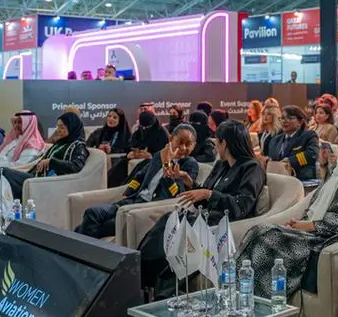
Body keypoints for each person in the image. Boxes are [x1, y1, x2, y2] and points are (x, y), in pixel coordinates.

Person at [237, 113, 338, 298]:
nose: (337, 140)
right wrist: (301, 222)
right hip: (312, 230)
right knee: (256, 232)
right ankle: (243, 304)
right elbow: (317, 201)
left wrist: (312, 226)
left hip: (329, 237)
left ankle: (258, 308)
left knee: (265, 239)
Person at [136, 120, 266, 292]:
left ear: (224, 143)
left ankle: (155, 287)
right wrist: (188, 181)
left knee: (179, 237)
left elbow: (241, 206)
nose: (215, 147)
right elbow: (204, 197)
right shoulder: (221, 165)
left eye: (216, 142)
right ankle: (138, 272)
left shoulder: (251, 168)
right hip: (203, 217)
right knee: (166, 222)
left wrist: (209, 194)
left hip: (219, 224)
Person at [75, 124, 200, 240]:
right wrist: (130, 191)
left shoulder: (190, 165)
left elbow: (176, 193)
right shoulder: (159, 155)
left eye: (188, 144)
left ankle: (82, 260)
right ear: (171, 138)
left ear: (194, 145)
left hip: (147, 208)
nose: (183, 148)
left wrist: (168, 162)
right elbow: (141, 175)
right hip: (133, 201)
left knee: (85, 227)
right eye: (180, 142)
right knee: (92, 213)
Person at [1, 112, 90, 201]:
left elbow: (76, 166)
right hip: (37, 177)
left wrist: (51, 162)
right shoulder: (60, 143)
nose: (58, 130)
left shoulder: (78, 146)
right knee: (2, 173)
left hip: (49, 182)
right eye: (58, 127)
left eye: (62, 127)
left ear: (72, 127)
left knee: (4, 172)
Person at [107, 111, 169, 187]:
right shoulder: (140, 130)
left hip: (153, 160)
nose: (144, 129)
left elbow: (165, 152)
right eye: (142, 126)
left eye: (146, 127)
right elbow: (133, 143)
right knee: (120, 166)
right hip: (138, 156)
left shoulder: (162, 133)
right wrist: (132, 152)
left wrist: (150, 155)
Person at [263, 106, 319, 180]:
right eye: (282, 118)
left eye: (289, 118)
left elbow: (312, 154)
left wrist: (290, 160)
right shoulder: (275, 140)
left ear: (300, 122)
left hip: (300, 179)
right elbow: (272, 158)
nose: (284, 121)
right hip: (278, 179)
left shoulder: (308, 135)